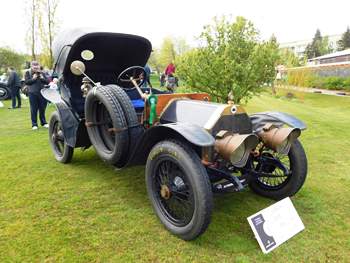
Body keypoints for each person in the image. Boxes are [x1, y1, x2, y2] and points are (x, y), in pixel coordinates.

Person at [24, 61, 49, 130]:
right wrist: (34, 78)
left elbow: (47, 81)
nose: (35, 67)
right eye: (34, 65)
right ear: (31, 66)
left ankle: (43, 122)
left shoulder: (42, 73)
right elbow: (27, 82)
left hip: (43, 93)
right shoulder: (28, 73)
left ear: (39, 66)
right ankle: (34, 124)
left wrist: (41, 78)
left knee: (42, 108)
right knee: (33, 109)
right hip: (32, 93)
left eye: (37, 65)